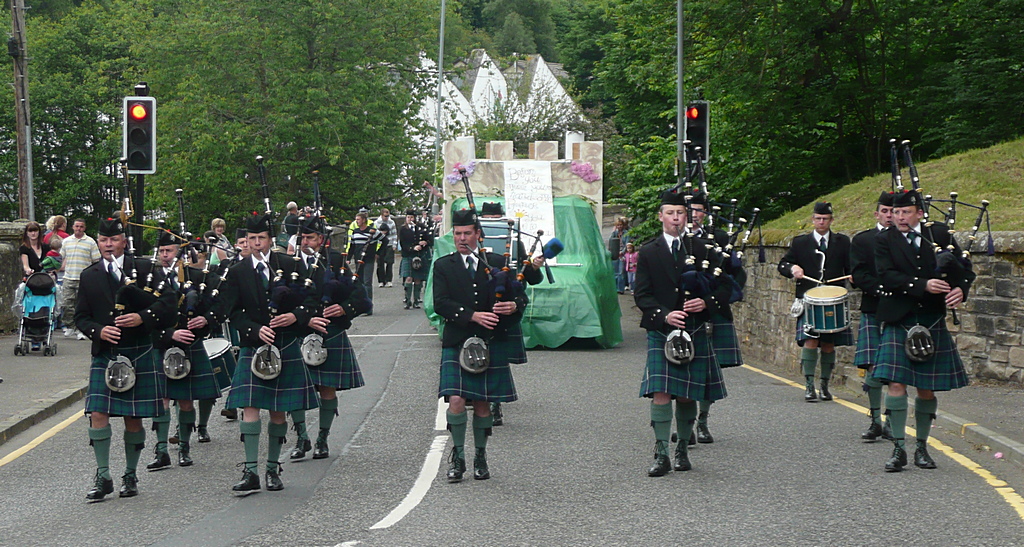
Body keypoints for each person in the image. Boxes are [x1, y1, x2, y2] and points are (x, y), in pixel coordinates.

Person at [871, 190, 974, 472]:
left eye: (905, 212)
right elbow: (886, 275)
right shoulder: (884, 239)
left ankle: (922, 447)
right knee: (895, 384)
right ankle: (898, 448)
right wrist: (923, 285)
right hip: (899, 317)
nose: (899, 218)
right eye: (895, 213)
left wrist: (960, 290)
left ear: (919, 212)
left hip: (930, 318)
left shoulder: (939, 234)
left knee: (926, 388)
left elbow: (964, 269)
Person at [76, 216, 176, 500]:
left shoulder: (143, 268)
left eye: (114, 240)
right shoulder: (89, 275)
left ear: (124, 241)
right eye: (104, 240)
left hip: (139, 349)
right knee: (97, 413)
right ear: (98, 242)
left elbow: (169, 305)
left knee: (133, 417)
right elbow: (80, 317)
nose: (109, 245)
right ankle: (103, 474)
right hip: (106, 353)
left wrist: (142, 318)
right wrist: (98, 331)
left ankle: (130, 476)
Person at [220, 212, 319, 494]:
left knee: (277, 412)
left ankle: (273, 470)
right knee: (249, 407)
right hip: (254, 347)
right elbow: (233, 312)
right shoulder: (237, 272)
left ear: (270, 239)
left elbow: (310, 301)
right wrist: (253, 330)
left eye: (261, 238)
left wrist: (294, 316)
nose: (256, 244)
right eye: (252, 239)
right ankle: (251, 471)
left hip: (284, 345)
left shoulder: (289, 265)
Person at [634, 189, 731, 476]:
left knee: (688, 394)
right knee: (661, 392)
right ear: (661, 216)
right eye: (670, 213)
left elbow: (726, 287)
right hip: (662, 330)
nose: (676, 219)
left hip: (695, 327)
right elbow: (642, 294)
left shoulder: (702, 249)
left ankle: (682, 451)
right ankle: (661, 453)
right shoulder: (649, 251)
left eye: (680, 214)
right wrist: (664, 314)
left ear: (687, 217)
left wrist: (707, 302)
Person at [432, 208, 530, 482]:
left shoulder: (497, 263)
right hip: (458, 339)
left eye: (467, 233)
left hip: (489, 342)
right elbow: (440, 303)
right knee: (456, 399)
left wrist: (514, 306)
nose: (462, 239)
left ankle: (481, 456)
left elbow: (520, 298)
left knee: (484, 404)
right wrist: (471, 315)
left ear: (478, 235)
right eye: (458, 234)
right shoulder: (443, 265)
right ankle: (458, 457)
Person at [288, 216, 371, 460]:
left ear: (322, 239)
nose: (306, 243)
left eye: (311, 238)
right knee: (295, 388)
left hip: (330, 333)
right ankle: (302, 437)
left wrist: (345, 308)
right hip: (299, 332)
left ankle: (322, 438)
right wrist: (304, 319)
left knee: (327, 388)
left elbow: (362, 298)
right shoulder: (289, 264)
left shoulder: (336, 262)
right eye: (302, 238)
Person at [147, 230, 223, 470]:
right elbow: (144, 317)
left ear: (181, 254)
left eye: (169, 251)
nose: (165, 256)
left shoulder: (198, 277)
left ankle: (184, 448)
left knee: (186, 401)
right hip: (162, 343)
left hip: (189, 344)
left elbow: (221, 306)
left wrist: (207, 320)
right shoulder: (150, 278)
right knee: (162, 400)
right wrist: (169, 334)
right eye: (161, 251)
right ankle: (161, 451)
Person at [683, 193, 745, 445]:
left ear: (706, 213)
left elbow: (736, 277)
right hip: (683, 312)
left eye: (698, 210)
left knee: (708, 371)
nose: (694, 215)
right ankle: (684, 423)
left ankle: (703, 422)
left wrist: (714, 301)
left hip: (714, 311)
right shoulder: (677, 239)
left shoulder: (721, 239)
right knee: (683, 367)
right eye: (690, 211)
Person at [477, 201, 544, 426]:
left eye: (496, 218)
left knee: (497, 355)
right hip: (479, 300)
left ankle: (494, 403)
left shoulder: (515, 242)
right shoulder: (472, 241)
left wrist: (534, 267)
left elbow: (530, 277)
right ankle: (479, 395)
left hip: (509, 301)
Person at [777, 202, 852, 402]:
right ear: (812, 219)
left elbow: (852, 267)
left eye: (825, 219)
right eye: (818, 218)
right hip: (808, 300)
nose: (821, 222)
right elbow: (783, 264)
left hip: (833, 301)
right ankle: (809, 386)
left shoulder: (843, 242)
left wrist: (855, 275)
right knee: (810, 341)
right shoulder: (801, 242)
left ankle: (825, 386)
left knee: (828, 344)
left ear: (831, 220)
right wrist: (793, 269)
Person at [850, 192, 896, 441]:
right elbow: (858, 275)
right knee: (873, 367)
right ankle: (875, 420)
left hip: (900, 310)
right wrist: (884, 290)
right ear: (876, 213)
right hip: (874, 308)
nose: (889, 216)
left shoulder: (905, 239)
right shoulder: (862, 240)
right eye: (885, 211)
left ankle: (891, 421)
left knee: (895, 369)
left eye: (893, 211)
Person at [61, 218, 101, 340]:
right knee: (66, 304)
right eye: (77, 226)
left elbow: (96, 260)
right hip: (68, 277)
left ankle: (80, 329)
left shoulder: (90, 242)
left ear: (85, 228)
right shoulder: (66, 241)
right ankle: (70, 325)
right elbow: (61, 258)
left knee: (81, 306)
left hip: (84, 279)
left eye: (81, 227)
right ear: (72, 227)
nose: (79, 229)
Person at [399, 210, 433, 310]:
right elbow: (402, 243)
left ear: (415, 218)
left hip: (420, 255)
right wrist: (412, 248)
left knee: (418, 279)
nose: (410, 219)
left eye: (411, 217)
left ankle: (416, 301)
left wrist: (425, 242)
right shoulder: (403, 229)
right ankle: (408, 300)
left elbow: (430, 239)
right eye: (408, 217)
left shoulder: (422, 227)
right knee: (408, 278)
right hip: (408, 255)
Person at [347, 212, 378, 310]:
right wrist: (348, 258)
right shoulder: (355, 232)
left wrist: (377, 252)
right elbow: (352, 246)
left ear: (364, 220)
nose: (357, 221)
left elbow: (384, 240)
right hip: (358, 260)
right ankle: (361, 305)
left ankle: (369, 307)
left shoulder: (371, 231)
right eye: (356, 219)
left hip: (368, 259)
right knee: (359, 282)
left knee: (367, 282)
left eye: (358, 219)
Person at [374, 208, 398, 288]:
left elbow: (394, 234)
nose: (387, 217)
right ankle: (381, 280)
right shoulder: (376, 223)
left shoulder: (391, 222)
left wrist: (394, 245)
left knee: (389, 263)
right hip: (380, 244)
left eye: (388, 216)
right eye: (385, 216)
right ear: (381, 215)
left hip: (389, 244)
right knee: (380, 264)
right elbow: (374, 235)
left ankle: (389, 280)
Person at [609, 217, 626, 294]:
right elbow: (611, 241)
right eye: (618, 225)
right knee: (615, 271)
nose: (619, 226)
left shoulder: (626, 233)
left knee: (621, 272)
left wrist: (622, 252)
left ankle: (621, 288)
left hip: (622, 254)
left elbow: (627, 244)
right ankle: (615, 288)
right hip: (615, 253)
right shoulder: (615, 233)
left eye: (621, 225)